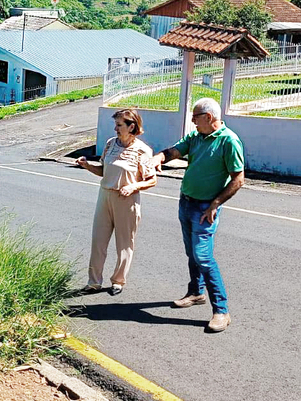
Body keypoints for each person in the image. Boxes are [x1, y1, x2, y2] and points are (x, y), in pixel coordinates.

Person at [151, 97, 244, 333]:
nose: (192, 121)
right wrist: (158, 158)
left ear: (209, 117)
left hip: (205, 208)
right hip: (186, 202)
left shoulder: (228, 141)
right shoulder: (196, 137)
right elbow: (174, 151)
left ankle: (221, 311)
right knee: (191, 252)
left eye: (195, 117)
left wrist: (215, 204)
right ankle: (195, 292)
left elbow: (238, 179)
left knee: (203, 256)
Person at [75, 108, 157, 296]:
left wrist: (133, 186)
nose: (115, 128)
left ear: (132, 126)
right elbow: (103, 171)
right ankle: (93, 281)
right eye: (115, 124)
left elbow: (152, 179)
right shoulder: (111, 144)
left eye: (119, 125)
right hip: (105, 195)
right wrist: (87, 165)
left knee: (124, 243)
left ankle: (118, 281)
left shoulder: (142, 150)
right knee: (98, 240)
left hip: (126, 200)